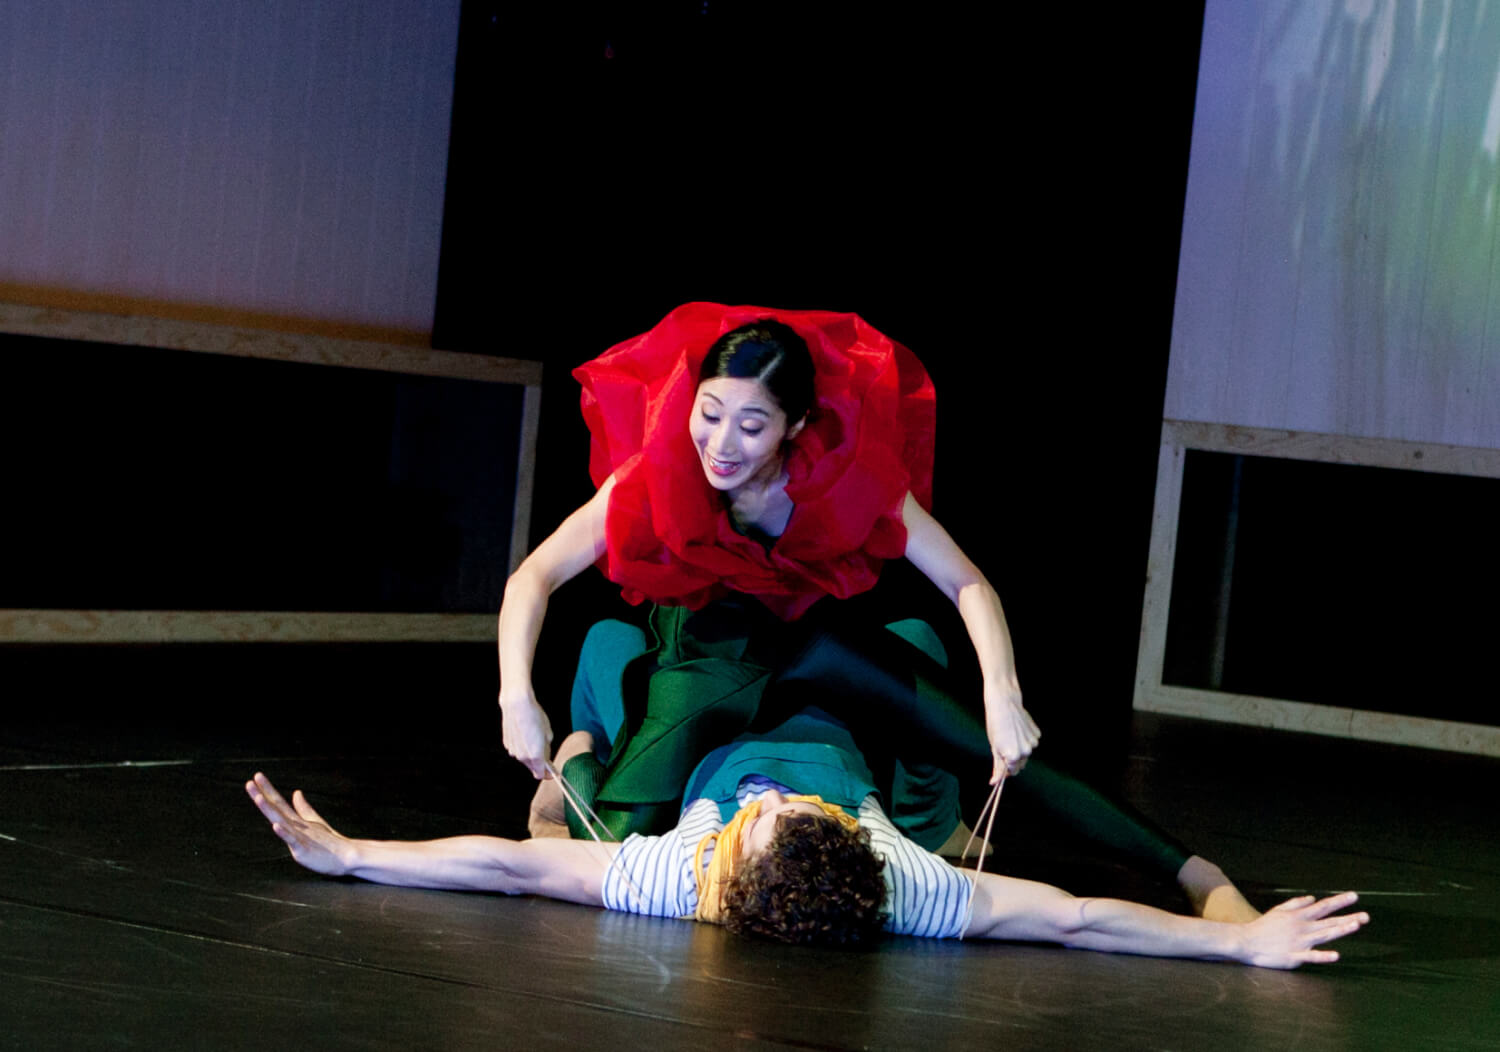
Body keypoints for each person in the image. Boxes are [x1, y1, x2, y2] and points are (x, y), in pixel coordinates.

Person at [498, 303, 1259, 922]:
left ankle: (1199, 875)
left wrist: (1002, 694)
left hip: (819, 647)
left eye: (752, 425)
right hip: (709, 653)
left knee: (995, 747)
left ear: (795, 427)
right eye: (709, 413)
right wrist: (515, 696)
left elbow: (969, 584)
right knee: (617, 833)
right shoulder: (654, 473)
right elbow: (532, 579)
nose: (721, 443)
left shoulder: (844, 480)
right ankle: (577, 750)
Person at [243, 726, 1369, 968]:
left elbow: (500, 865)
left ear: (725, 861)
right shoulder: (917, 890)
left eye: (767, 815)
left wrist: (355, 854)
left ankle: (574, 784)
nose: (773, 798)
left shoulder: (670, 876)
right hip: (849, 734)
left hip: (705, 744)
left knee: (597, 687)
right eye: (792, 810)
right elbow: (1073, 918)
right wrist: (1240, 946)